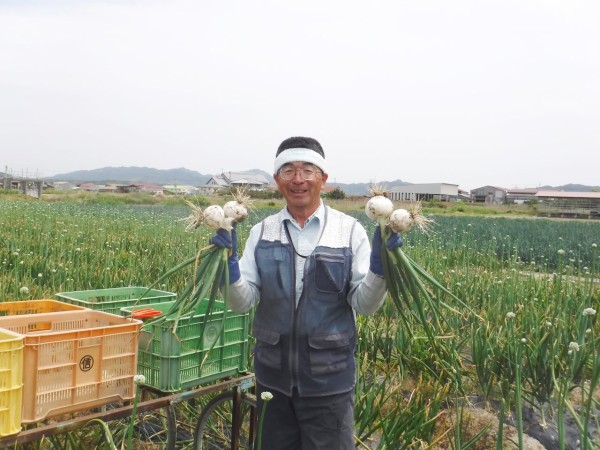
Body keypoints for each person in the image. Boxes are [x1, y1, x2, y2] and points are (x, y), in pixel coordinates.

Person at [210, 136, 402, 450]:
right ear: (276, 180)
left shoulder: (348, 231)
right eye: (288, 171)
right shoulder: (262, 232)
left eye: (308, 170)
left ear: (323, 178)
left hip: (329, 385)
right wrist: (227, 268)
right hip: (273, 384)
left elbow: (364, 306)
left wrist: (380, 271)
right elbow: (242, 303)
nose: (298, 179)